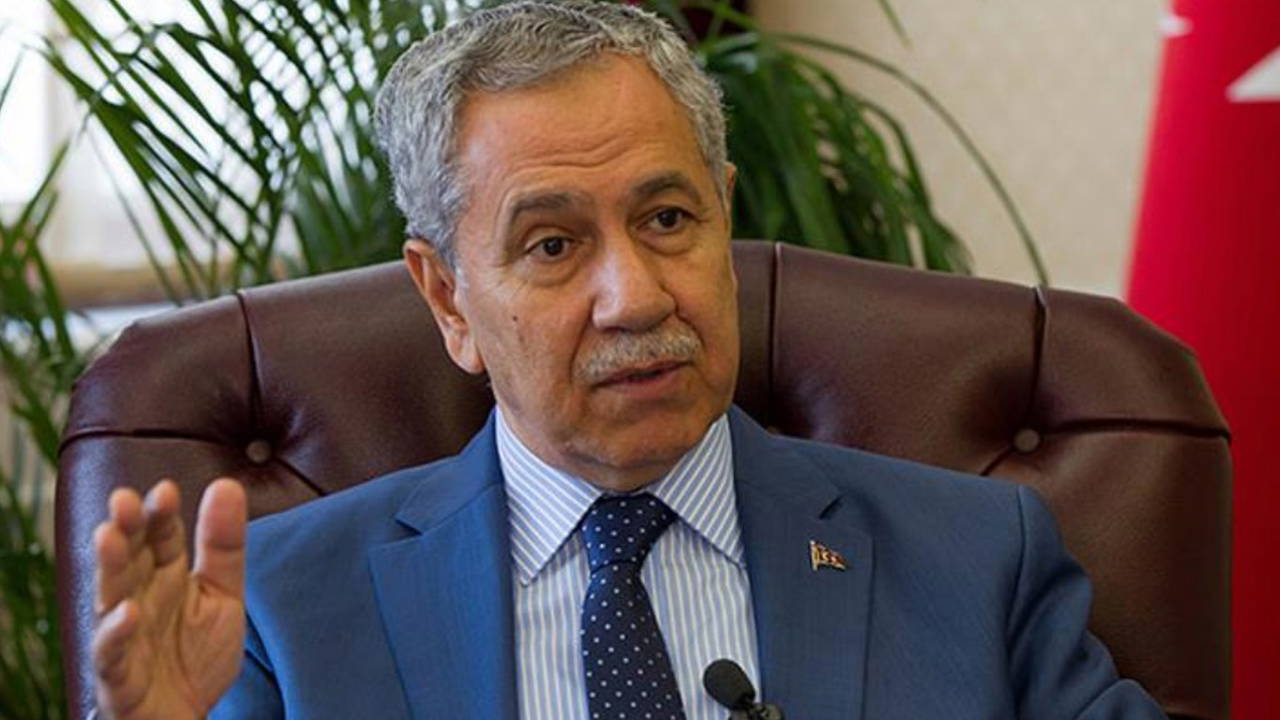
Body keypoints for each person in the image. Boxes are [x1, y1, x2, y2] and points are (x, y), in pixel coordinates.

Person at [88, 3, 1169, 719]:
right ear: (447, 298)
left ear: (723, 219)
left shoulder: (975, 558)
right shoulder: (283, 611)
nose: (636, 297)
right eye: (552, 245)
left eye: (666, 219)